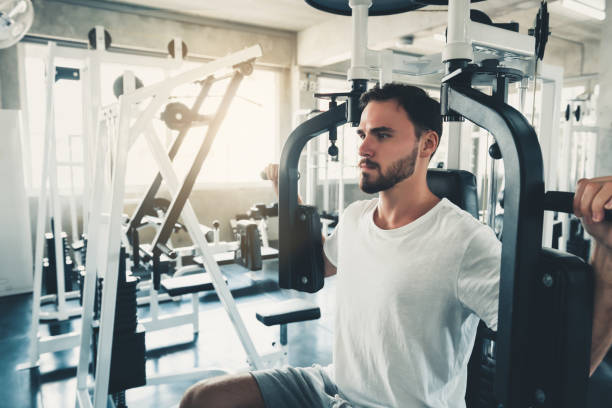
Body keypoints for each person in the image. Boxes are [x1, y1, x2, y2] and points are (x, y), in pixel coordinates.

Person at [180, 83, 612, 408]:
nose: (364, 147)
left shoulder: (464, 241)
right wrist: (289, 202)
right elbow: (317, 268)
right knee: (202, 400)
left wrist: (607, 252)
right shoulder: (354, 218)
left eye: (382, 135)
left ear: (427, 144)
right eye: (363, 133)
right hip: (332, 384)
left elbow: (562, 366)